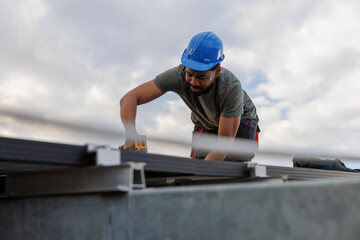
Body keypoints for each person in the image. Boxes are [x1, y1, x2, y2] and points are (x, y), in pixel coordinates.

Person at [120, 31, 259, 161]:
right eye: (189, 74)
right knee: (199, 160)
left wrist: (202, 176)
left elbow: (225, 142)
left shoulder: (231, 87)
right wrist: (130, 136)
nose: (194, 82)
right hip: (207, 122)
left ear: (216, 72)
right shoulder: (178, 76)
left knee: (228, 165)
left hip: (240, 122)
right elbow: (129, 98)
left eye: (202, 77)